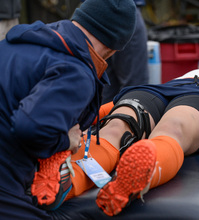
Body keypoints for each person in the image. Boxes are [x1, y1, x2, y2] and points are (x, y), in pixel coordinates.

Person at [32, 25, 199, 217]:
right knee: (118, 125)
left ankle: (139, 172)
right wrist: (95, 116)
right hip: (162, 91)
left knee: (174, 126)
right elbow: (120, 106)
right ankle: (61, 184)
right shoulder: (192, 72)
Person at [0, 0, 136, 218]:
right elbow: (30, 127)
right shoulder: (76, 70)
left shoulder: (22, 42)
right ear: (112, 50)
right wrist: (67, 140)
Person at [101, 0, 149, 104]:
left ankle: (105, 120)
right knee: (135, 91)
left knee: (107, 87)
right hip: (124, 9)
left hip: (98, 11)